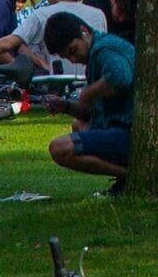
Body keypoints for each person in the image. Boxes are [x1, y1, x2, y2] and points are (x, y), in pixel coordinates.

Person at [43, 11, 137, 181]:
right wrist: (66, 106)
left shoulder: (104, 49)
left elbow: (120, 78)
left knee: (59, 148)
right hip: (119, 127)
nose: (73, 60)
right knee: (78, 124)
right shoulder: (96, 54)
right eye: (67, 57)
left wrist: (88, 92)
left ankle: (131, 177)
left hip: (131, 131)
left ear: (84, 31)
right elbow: (90, 112)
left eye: (73, 51)